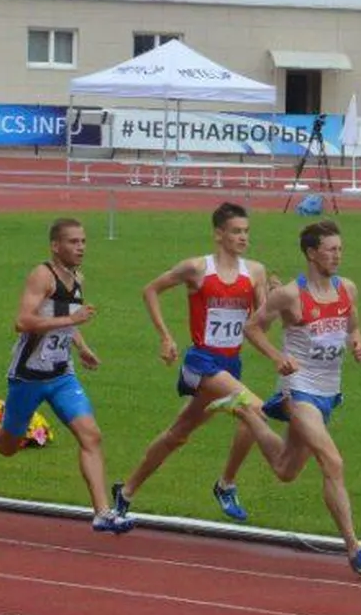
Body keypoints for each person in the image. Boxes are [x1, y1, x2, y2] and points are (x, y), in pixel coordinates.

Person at [214, 220, 361, 578]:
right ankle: (355, 549)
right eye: (330, 249)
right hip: (299, 390)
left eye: (340, 249)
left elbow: (352, 325)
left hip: (328, 392)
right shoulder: (290, 295)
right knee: (332, 462)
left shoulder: (347, 289)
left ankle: (247, 413)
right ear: (311, 253)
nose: (337, 255)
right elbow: (251, 328)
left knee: (285, 470)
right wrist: (278, 358)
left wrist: (358, 342)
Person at [110, 202, 287, 523]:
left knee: (177, 434)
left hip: (230, 365)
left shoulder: (256, 272)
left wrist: (274, 300)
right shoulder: (197, 269)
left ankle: (125, 493)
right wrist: (165, 337)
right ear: (219, 235)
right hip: (201, 362)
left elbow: (260, 326)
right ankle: (226, 484)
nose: (243, 237)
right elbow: (150, 290)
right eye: (236, 231)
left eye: (246, 231)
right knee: (256, 411)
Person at [0, 218, 131, 533]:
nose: (81, 247)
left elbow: (65, 320)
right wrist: (74, 319)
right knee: (8, 446)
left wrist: (81, 346)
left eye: (83, 241)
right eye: (73, 242)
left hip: (62, 374)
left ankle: (103, 512)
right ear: (55, 246)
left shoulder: (78, 278)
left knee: (91, 435)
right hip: (29, 376)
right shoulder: (42, 276)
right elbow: (22, 322)